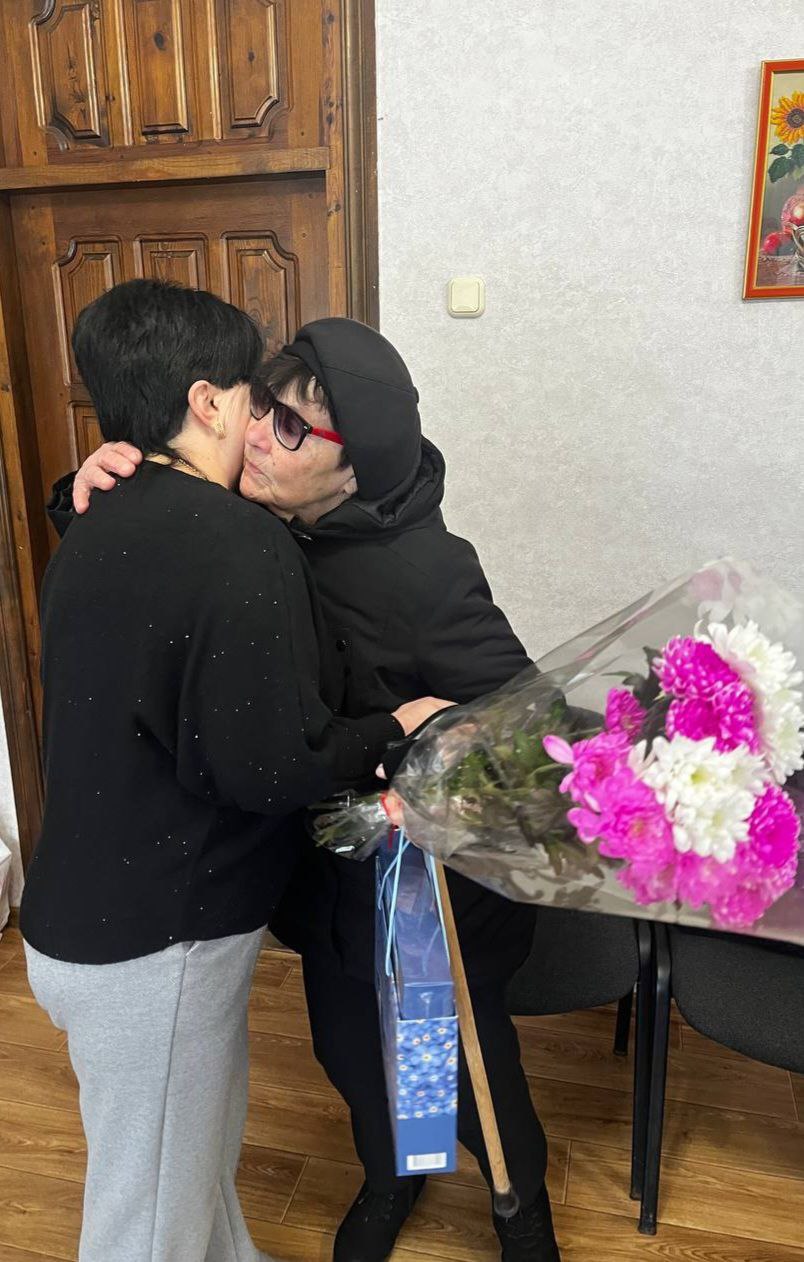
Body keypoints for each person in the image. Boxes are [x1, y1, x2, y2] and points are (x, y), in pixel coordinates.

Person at [60, 317, 562, 1262]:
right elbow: (148, 566)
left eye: (291, 428)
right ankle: (392, 1175)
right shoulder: (249, 519)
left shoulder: (427, 574)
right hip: (324, 872)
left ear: (353, 468)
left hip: (424, 890)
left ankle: (518, 1207)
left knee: (452, 1066)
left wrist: (432, 768)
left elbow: (528, 725)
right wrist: (84, 487)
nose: (255, 434)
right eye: (262, 407)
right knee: (347, 1050)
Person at [23, 282, 446, 1262]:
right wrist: (394, 726)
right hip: (156, 935)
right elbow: (268, 765)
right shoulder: (233, 539)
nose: (263, 430)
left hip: (85, 913)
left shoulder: (98, 512)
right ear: (208, 401)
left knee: (192, 1162)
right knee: (146, 1223)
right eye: (259, 402)